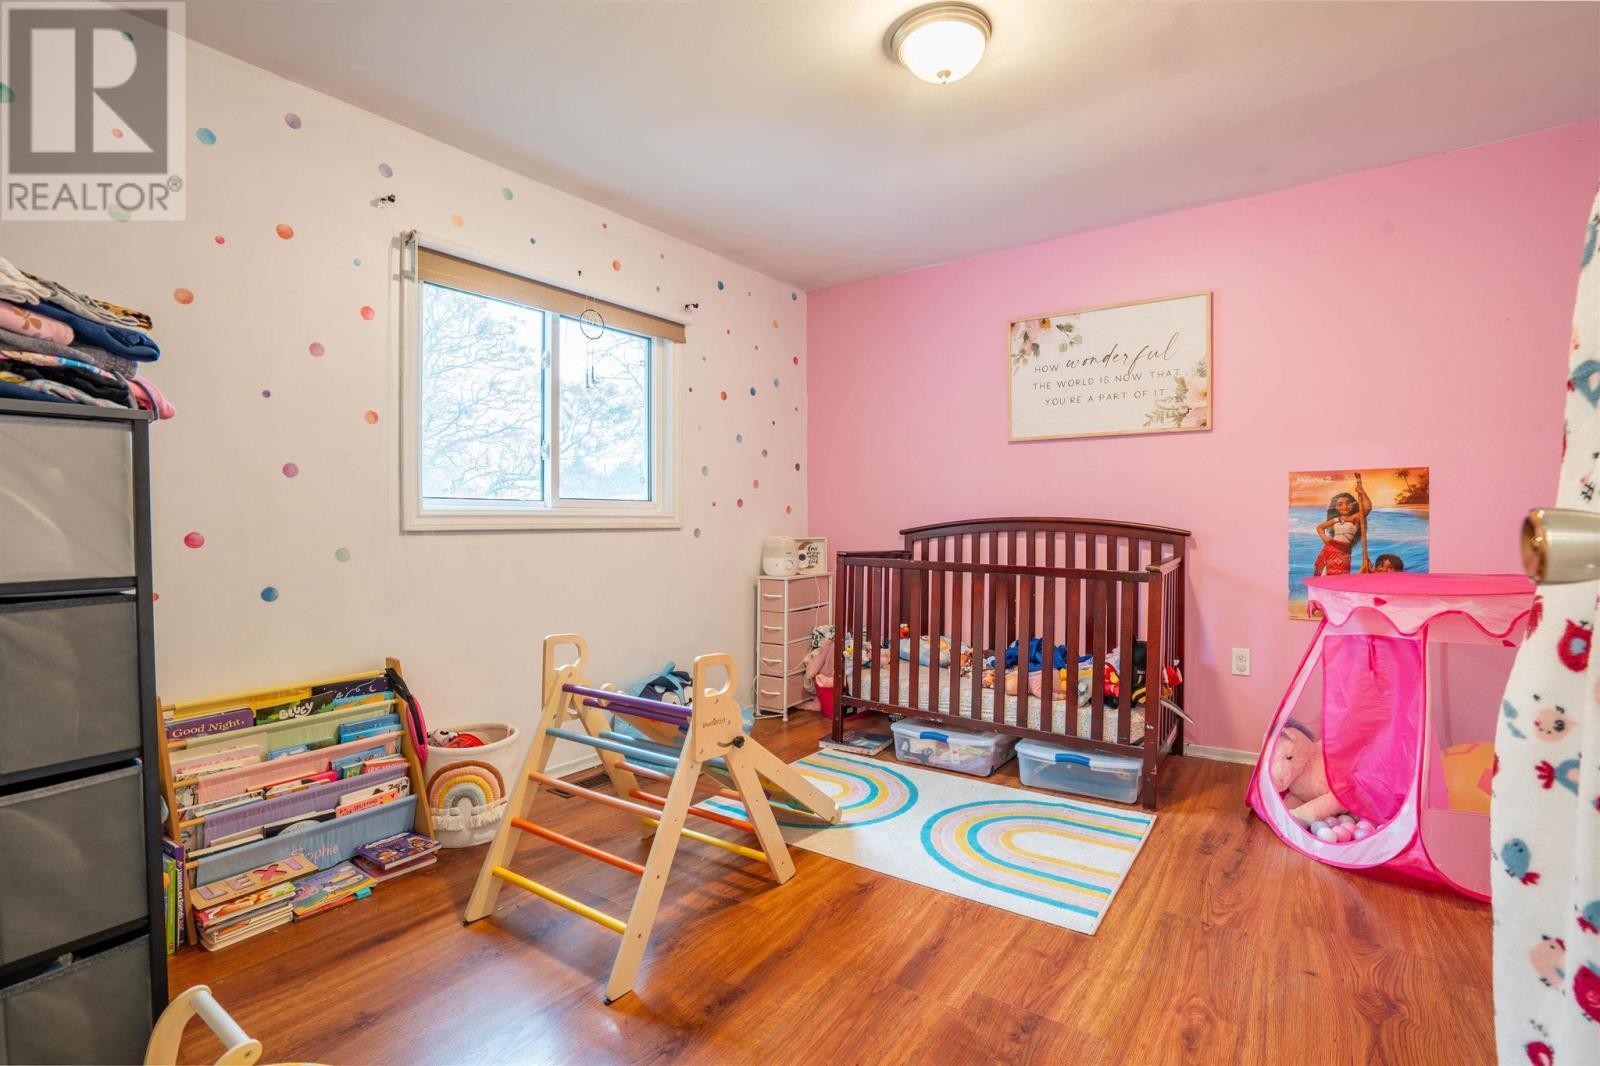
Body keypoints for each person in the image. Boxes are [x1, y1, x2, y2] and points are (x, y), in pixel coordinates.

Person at [1313, 474, 1373, 576]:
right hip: (1330, 550)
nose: (1344, 506)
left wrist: (1362, 491)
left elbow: (1368, 507)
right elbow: (1319, 527)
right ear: (1336, 507)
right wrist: (1326, 540)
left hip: (1344, 552)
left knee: (1340, 577)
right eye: (1340, 504)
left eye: (1347, 503)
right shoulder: (1335, 520)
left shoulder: (1355, 518)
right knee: (1324, 575)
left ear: (1352, 504)